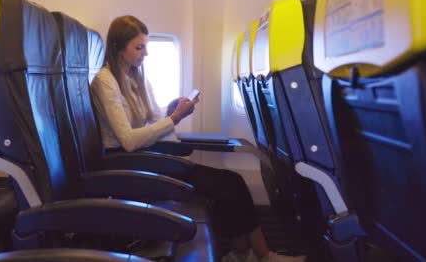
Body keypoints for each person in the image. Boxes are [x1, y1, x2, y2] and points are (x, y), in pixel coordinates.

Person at [90, 15, 302, 262]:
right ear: (118, 47)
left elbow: (151, 118)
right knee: (229, 184)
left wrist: (173, 111)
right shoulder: (105, 82)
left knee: (232, 182)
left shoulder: (134, 77)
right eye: (139, 47)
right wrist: (174, 119)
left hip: (148, 155)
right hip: (129, 162)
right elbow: (127, 140)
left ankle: (245, 253)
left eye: (146, 46)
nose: (145, 53)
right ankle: (258, 255)